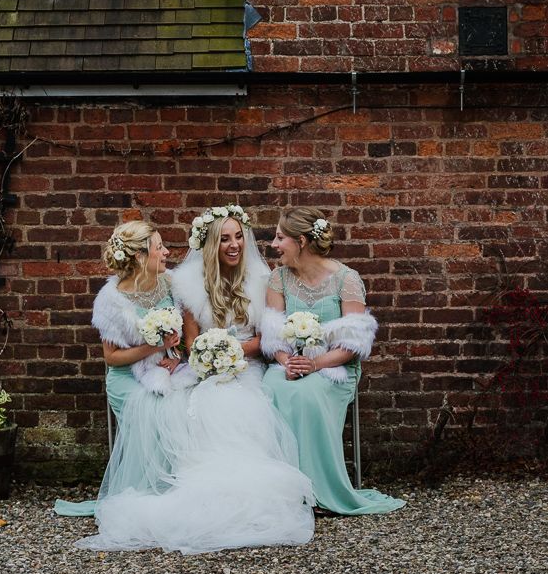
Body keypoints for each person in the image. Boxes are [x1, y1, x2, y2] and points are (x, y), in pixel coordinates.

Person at [76, 205, 315, 554]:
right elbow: (190, 344)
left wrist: (232, 352)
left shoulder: (262, 280)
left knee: (242, 403)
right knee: (202, 404)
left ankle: (246, 488)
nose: (234, 245)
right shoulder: (187, 285)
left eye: (238, 237)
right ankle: (198, 490)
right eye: (225, 239)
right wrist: (208, 355)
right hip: (203, 366)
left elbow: (264, 339)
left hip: (246, 365)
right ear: (211, 244)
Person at [261, 206, 405, 515]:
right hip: (288, 365)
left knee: (308, 395)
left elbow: (353, 344)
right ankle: (280, 492)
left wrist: (314, 365)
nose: (274, 245)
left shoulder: (346, 279)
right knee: (269, 390)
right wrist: (288, 362)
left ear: (301, 242)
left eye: (280, 237)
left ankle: (318, 491)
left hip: (334, 369)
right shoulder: (278, 278)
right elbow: (273, 337)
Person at [54, 221, 196, 517]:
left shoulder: (171, 284)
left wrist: (175, 354)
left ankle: (185, 488)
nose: (167, 252)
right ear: (141, 257)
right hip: (126, 378)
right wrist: (155, 348)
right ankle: (151, 494)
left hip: (165, 369)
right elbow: (112, 358)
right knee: (153, 408)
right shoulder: (111, 300)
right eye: (160, 248)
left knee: (195, 401)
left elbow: (181, 337)